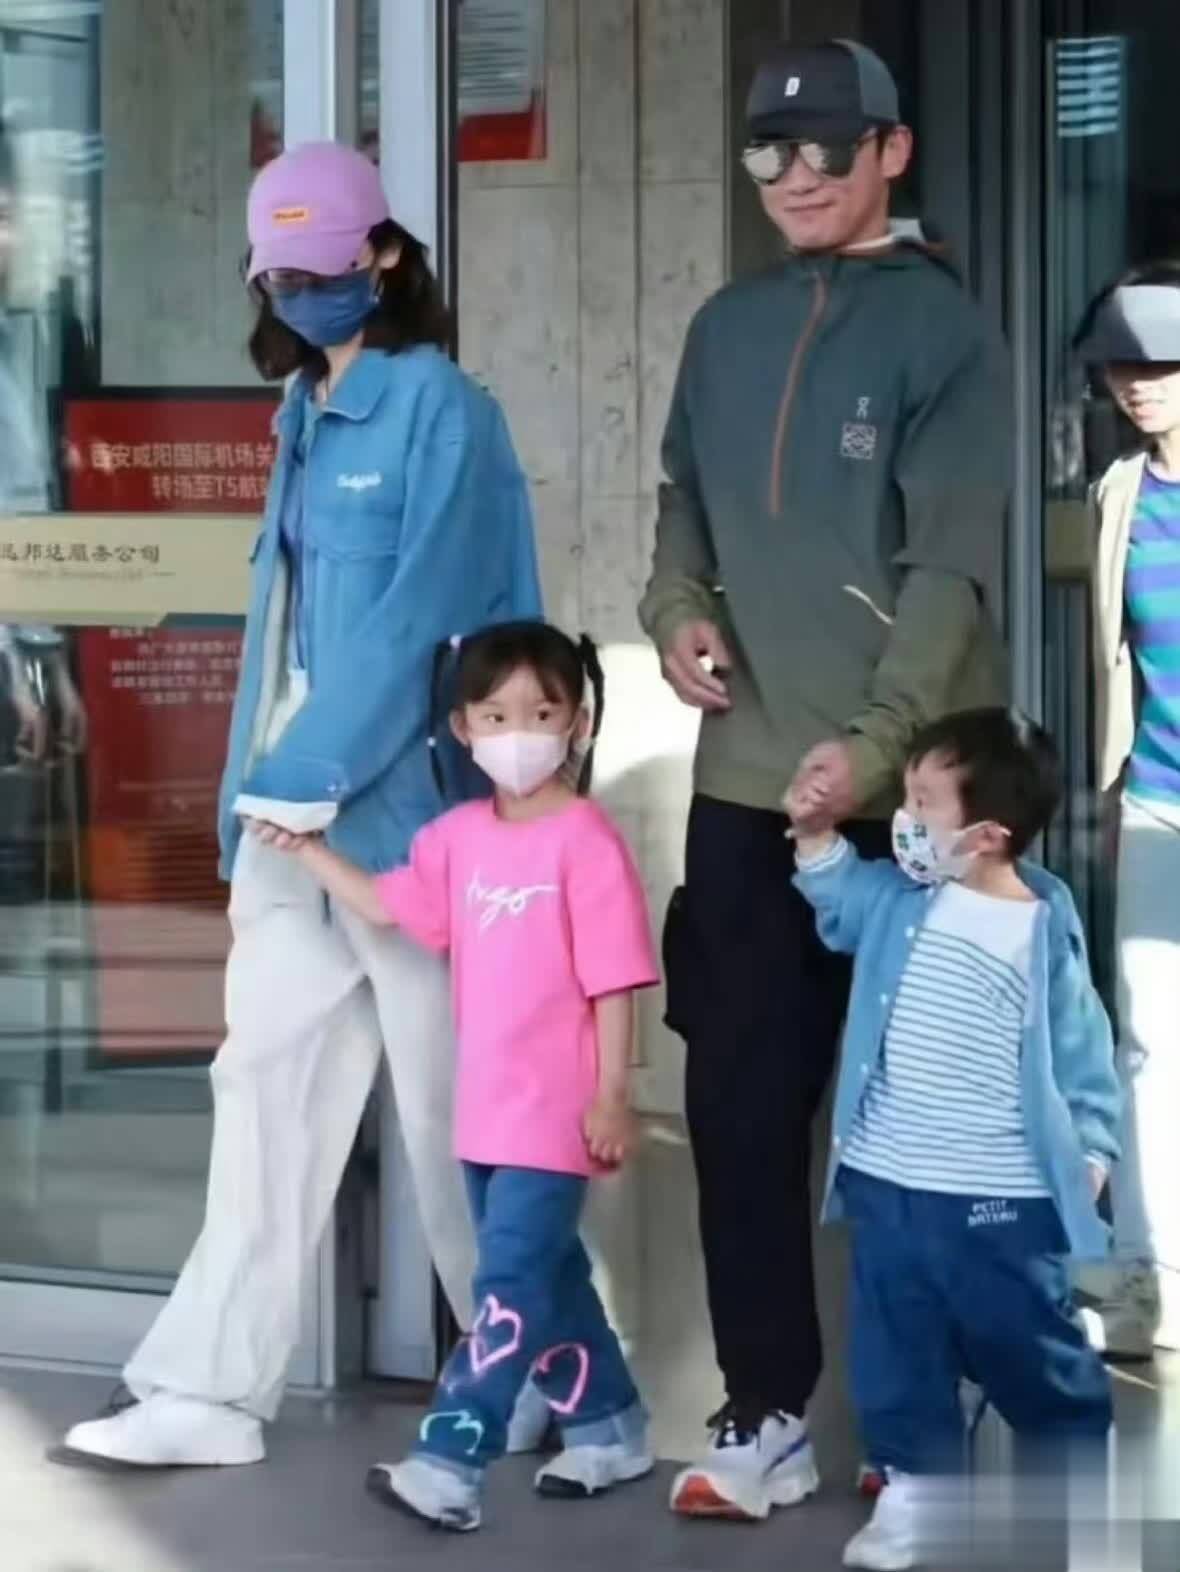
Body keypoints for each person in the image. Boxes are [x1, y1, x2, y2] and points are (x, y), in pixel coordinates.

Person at [59, 141, 542, 1468]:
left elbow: (431, 619)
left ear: (383, 256)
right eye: (277, 274)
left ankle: (544, 1379)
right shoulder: (299, 413)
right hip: (293, 812)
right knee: (262, 1088)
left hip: (414, 817)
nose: (298, 292)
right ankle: (210, 1392)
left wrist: (304, 776)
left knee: (458, 1118)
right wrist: (254, 797)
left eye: (320, 268)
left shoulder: (442, 410)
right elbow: (285, 631)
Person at [639, 38, 1010, 1519]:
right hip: (744, 788)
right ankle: (766, 1414)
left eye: (826, 149)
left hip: (906, 803)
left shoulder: (944, 333)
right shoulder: (723, 326)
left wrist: (878, 742)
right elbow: (682, 501)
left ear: (891, 153)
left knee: (927, 1133)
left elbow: (950, 570)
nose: (794, 175)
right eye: (769, 152)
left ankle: (926, 1439)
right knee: (739, 1115)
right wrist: (674, 607)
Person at [246, 621, 658, 1531]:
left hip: (556, 1116)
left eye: (542, 713)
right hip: (485, 1113)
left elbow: (615, 981)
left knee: (505, 1287)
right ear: (465, 728)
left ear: (579, 723)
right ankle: (611, 1425)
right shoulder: (457, 838)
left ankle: (450, 1461)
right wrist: (307, 849)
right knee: (550, 1277)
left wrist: (611, 1098)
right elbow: (388, 904)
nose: (520, 733)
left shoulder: (587, 842)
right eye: (497, 715)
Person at [786, 707, 1119, 1572]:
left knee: (1026, 1348)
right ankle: (916, 1494)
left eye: (924, 802)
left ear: (989, 833)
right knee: (894, 1355)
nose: (904, 818)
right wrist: (813, 834)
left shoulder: (1040, 926)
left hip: (1000, 1198)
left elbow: (1083, 1052)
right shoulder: (902, 900)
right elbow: (839, 893)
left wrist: (1093, 1152)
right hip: (888, 1180)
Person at [1072, 263, 1180, 1359]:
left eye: (1162, 362)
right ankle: (1152, 1277)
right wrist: (1110, 792)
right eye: (1119, 365)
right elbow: (1114, 659)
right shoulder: (1118, 494)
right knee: (1147, 1041)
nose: (1138, 382)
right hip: (1155, 794)